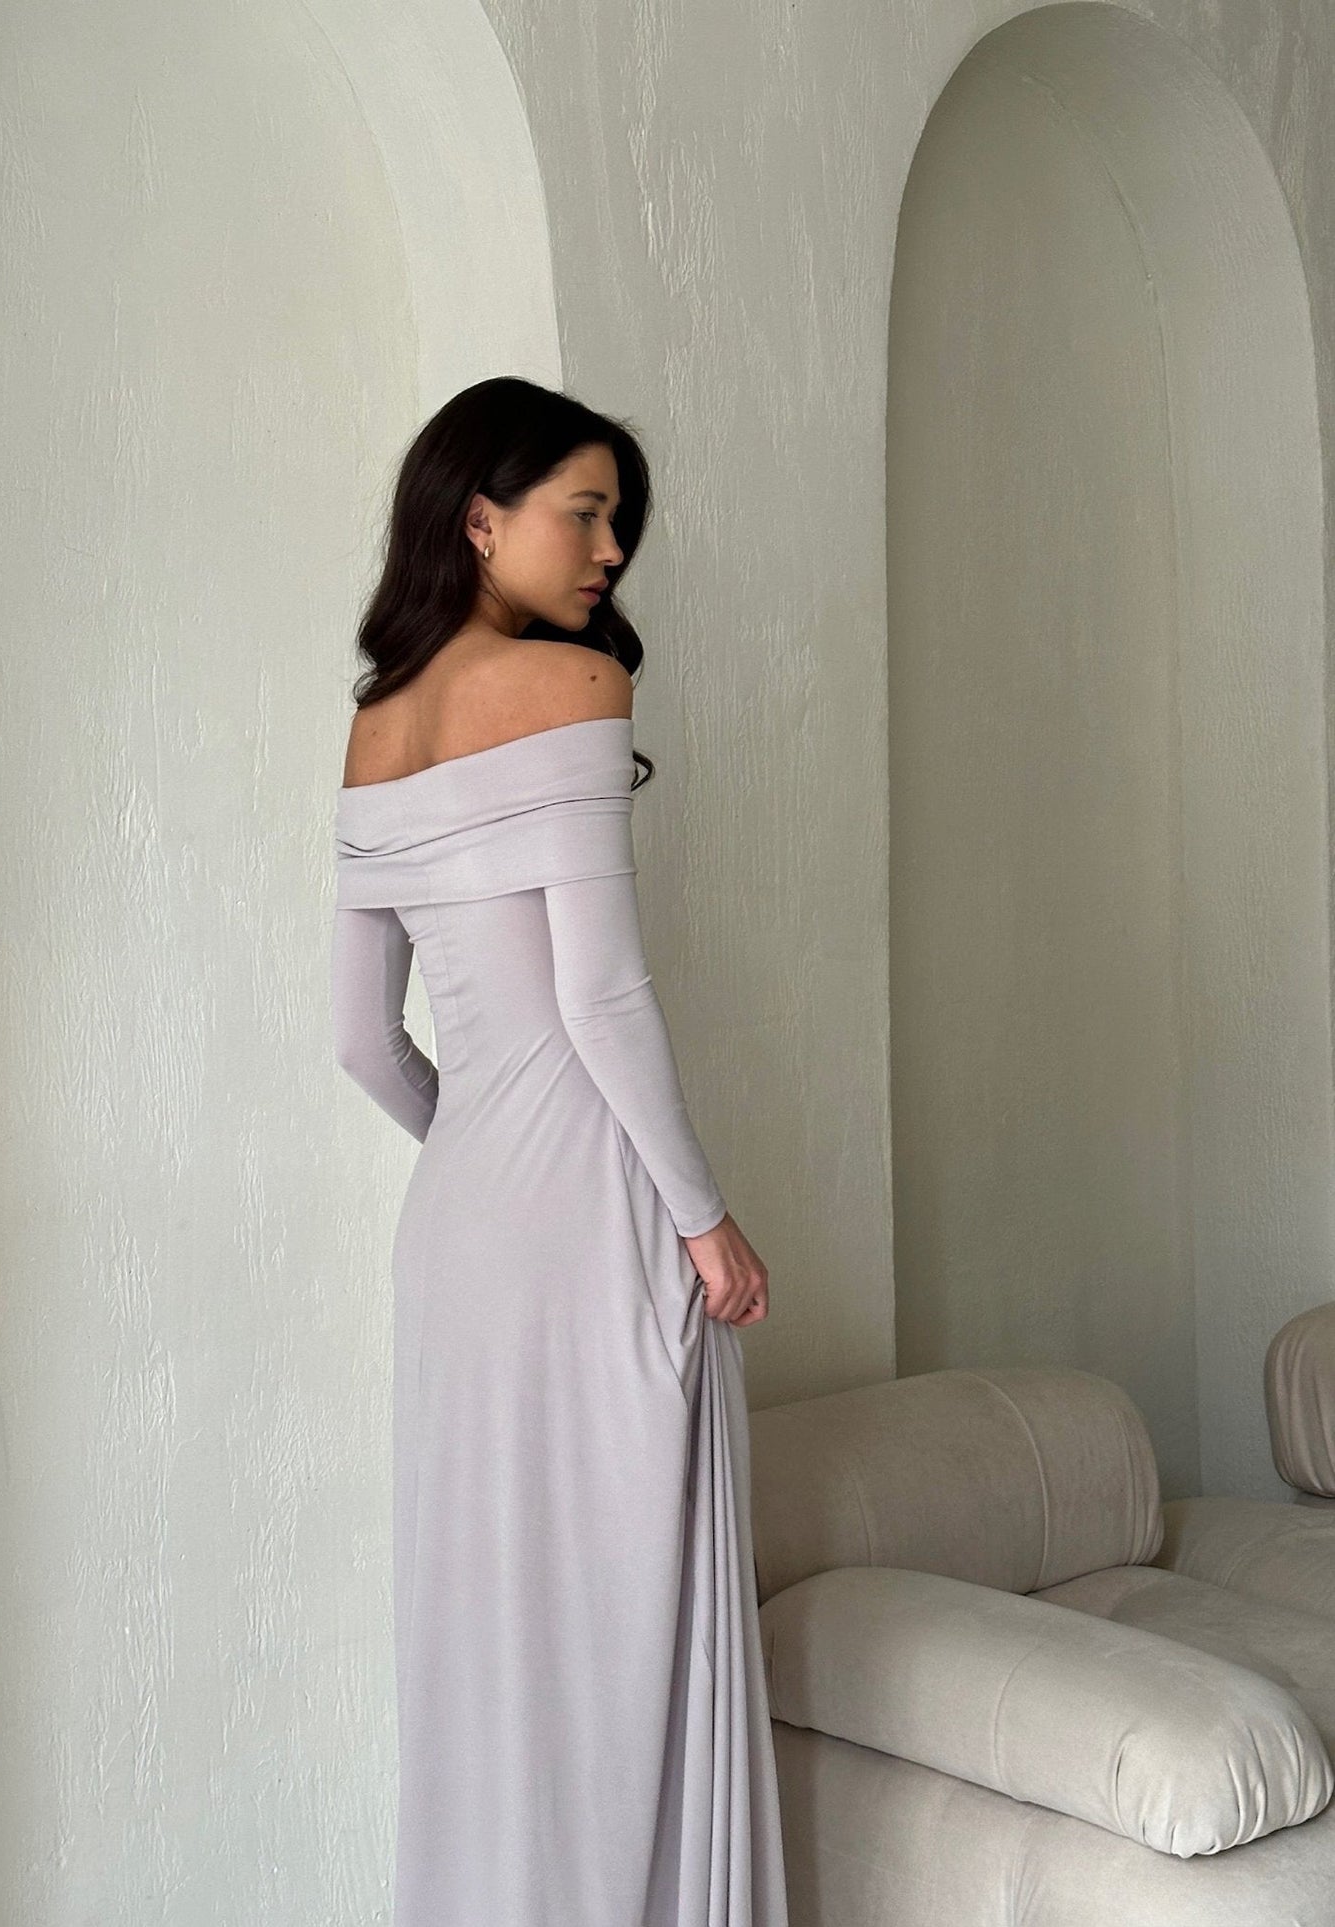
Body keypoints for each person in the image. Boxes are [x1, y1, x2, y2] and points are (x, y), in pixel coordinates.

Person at [331, 374, 789, 1926]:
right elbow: (598, 995)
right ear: (478, 516)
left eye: (614, 518)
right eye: (582, 511)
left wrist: (475, 1153)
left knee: (493, 1635)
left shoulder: (374, 727)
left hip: (457, 1236)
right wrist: (702, 1215)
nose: (608, 550)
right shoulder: (574, 688)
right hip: (598, 1212)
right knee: (625, 1629)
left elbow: (359, 1045)